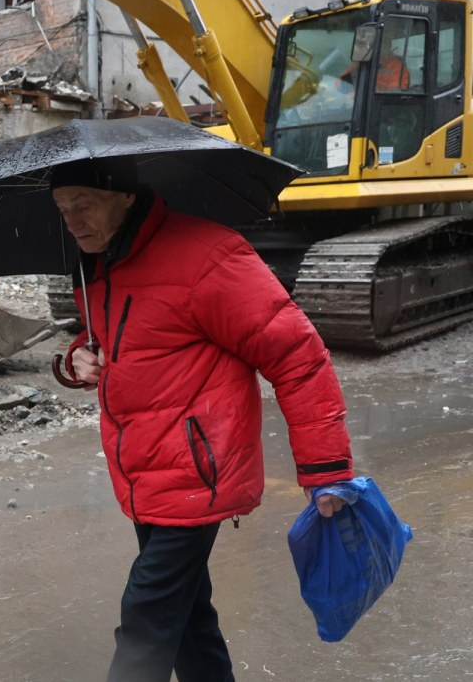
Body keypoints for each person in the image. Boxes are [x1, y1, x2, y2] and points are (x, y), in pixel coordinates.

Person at [49, 167, 354, 682]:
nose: (73, 221)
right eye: (61, 209)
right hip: (141, 471)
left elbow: (298, 356)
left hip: (197, 473)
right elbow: (126, 342)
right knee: (188, 617)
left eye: (84, 203)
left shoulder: (207, 255)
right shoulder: (98, 264)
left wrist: (326, 469)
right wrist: (79, 359)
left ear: (125, 196)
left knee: (145, 617)